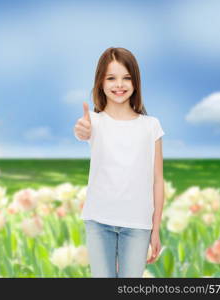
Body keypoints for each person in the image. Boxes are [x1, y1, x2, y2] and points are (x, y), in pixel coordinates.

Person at [73, 47, 165, 278]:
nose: (119, 84)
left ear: (135, 82)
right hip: (98, 222)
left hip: (138, 225)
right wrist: (81, 131)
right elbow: (82, 132)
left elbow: (157, 180)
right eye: (111, 78)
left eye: (126, 78)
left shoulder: (151, 125)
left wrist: (156, 229)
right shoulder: (93, 121)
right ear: (100, 83)